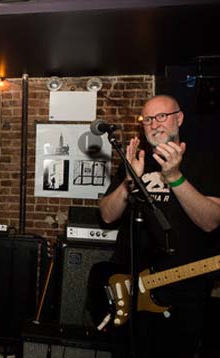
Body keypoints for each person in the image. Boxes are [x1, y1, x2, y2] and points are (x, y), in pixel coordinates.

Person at [98, 95, 220, 358]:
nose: (155, 124)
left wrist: (175, 177)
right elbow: (107, 215)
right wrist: (128, 182)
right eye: (148, 120)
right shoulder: (136, 160)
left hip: (182, 292)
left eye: (162, 116)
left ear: (179, 118)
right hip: (130, 286)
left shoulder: (205, 161)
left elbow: (211, 221)